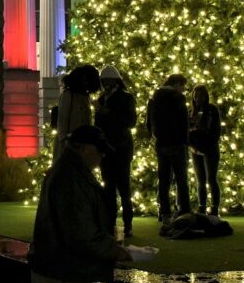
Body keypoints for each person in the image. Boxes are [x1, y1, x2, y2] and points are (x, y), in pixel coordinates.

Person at [28, 125, 131, 283]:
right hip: (66, 272)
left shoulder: (68, 172)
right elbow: (80, 233)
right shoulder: (71, 179)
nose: (102, 155)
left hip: (56, 268)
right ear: (83, 148)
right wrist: (112, 249)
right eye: (99, 150)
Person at [94, 64, 138, 236]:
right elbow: (98, 125)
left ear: (117, 81)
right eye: (104, 82)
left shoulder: (126, 98)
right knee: (109, 190)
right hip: (107, 150)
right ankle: (110, 224)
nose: (106, 85)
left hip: (121, 149)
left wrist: (107, 113)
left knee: (124, 189)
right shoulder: (101, 99)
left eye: (109, 81)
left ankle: (128, 225)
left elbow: (129, 121)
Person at [147, 73, 191, 222]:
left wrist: (156, 135)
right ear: (177, 84)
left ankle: (164, 212)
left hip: (161, 143)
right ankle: (184, 211)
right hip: (177, 143)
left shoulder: (154, 98)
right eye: (182, 86)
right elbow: (183, 122)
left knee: (164, 179)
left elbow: (149, 122)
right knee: (181, 179)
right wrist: (185, 142)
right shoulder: (178, 98)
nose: (183, 90)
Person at [188, 84, 222, 218]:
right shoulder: (191, 112)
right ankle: (202, 206)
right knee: (200, 179)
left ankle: (214, 207)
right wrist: (193, 145)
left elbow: (216, 130)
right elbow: (188, 131)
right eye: (195, 96)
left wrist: (207, 144)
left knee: (211, 178)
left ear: (205, 96)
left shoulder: (212, 110)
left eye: (200, 96)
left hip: (210, 148)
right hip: (195, 150)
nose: (197, 99)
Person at [53, 64, 99, 159]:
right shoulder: (68, 94)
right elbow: (62, 118)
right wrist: (64, 139)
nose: (86, 83)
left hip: (82, 143)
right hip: (69, 142)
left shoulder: (85, 96)